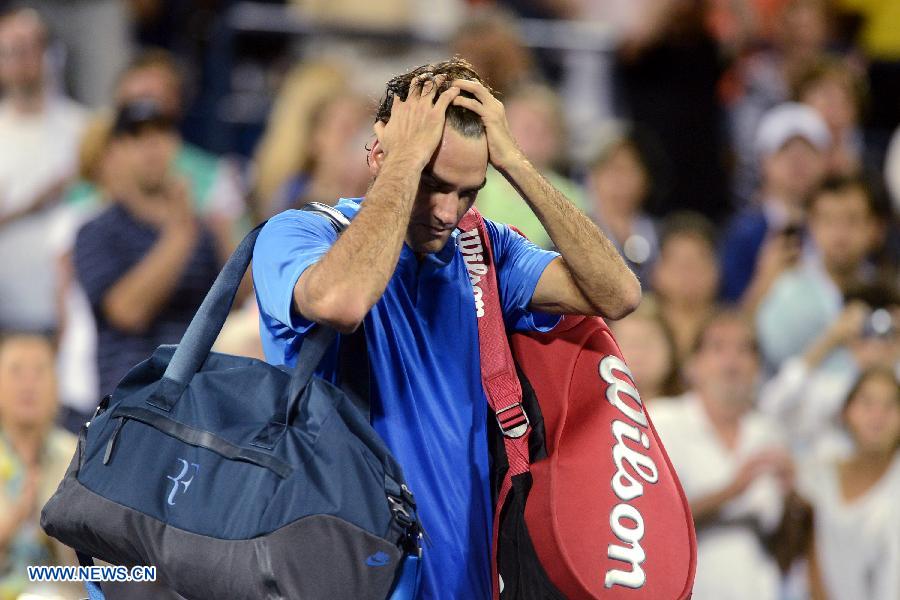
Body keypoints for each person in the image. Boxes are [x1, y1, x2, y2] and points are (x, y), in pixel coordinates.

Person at [251, 58, 641, 599]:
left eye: (467, 191)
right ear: (377, 152)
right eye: (432, 184)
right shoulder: (296, 234)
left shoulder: (484, 251)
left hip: (467, 582)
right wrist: (404, 163)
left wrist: (516, 164)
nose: (447, 211)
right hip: (342, 578)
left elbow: (616, 293)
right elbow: (343, 300)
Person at [73, 100, 225, 399]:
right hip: (131, 400)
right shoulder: (97, 231)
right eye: (138, 138)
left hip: (199, 396)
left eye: (162, 134)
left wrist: (225, 225)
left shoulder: (201, 228)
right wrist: (180, 234)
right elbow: (128, 312)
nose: (152, 147)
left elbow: (239, 301)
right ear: (115, 151)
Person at [651, 311, 793, 600]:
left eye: (744, 350)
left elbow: (785, 542)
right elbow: (651, 522)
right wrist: (732, 490)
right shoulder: (661, 422)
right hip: (685, 588)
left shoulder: (769, 432)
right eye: (718, 348)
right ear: (692, 365)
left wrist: (793, 500)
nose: (732, 362)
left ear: (758, 368)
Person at [0, 7, 86, 333]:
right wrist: (30, 204)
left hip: (69, 312)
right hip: (6, 309)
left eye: (26, 47)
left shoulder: (84, 129)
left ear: (48, 53)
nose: (18, 60)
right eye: (7, 51)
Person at [755, 175, 880, 371]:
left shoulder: (888, 289)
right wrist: (832, 338)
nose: (841, 233)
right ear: (812, 226)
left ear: (872, 227)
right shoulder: (787, 292)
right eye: (829, 221)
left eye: (852, 220)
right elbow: (774, 365)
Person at [798, 367, 900, 600]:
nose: (878, 415)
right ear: (846, 412)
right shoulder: (819, 475)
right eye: (867, 403)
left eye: (890, 405)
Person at [720, 102, 829, 303]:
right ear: (764, 161)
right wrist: (765, 278)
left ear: (824, 161)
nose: (798, 161)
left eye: (808, 151)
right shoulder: (743, 233)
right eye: (785, 150)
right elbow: (729, 312)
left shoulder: (839, 225)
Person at [0, 334, 79, 600]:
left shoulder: (78, 455)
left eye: (40, 371)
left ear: (57, 386)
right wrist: (16, 517)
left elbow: (95, 566)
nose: (28, 384)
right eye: (16, 371)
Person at [474, 83, 587, 249]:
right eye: (527, 128)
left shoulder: (575, 197)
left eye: (544, 129)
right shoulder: (478, 185)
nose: (536, 136)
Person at [584, 126, 659, 285]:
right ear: (592, 177)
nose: (621, 180)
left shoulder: (662, 236)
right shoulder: (573, 234)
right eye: (613, 169)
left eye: (631, 169)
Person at [651, 212, 721, 363]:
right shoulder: (637, 329)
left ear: (715, 270)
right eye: (679, 262)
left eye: (698, 261)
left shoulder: (730, 331)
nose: (688, 272)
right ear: (657, 270)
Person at [609, 301, 681, 403]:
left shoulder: (698, 410)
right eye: (629, 343)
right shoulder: (591, 412)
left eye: (647, 342)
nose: (638, 353)